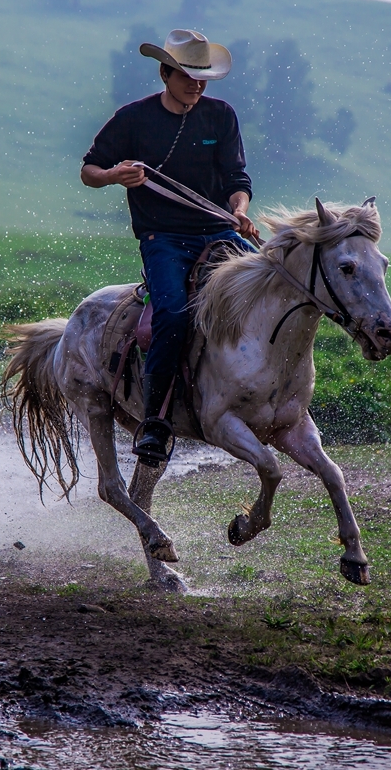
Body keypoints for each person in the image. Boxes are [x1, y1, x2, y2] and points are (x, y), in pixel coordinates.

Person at [81, 29, 260, 466]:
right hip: (164, 240)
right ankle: (155, 423)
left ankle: (271, 393)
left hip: (219, 232)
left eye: (203, 77)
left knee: (270, 293)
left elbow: (238, 182)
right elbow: (89, 169)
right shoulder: (133, 118)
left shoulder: (221, 116)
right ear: (165, 73)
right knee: (173, 313)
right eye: (187, 76)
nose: (197, 85)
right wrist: (114, 175)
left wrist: (238, 209)